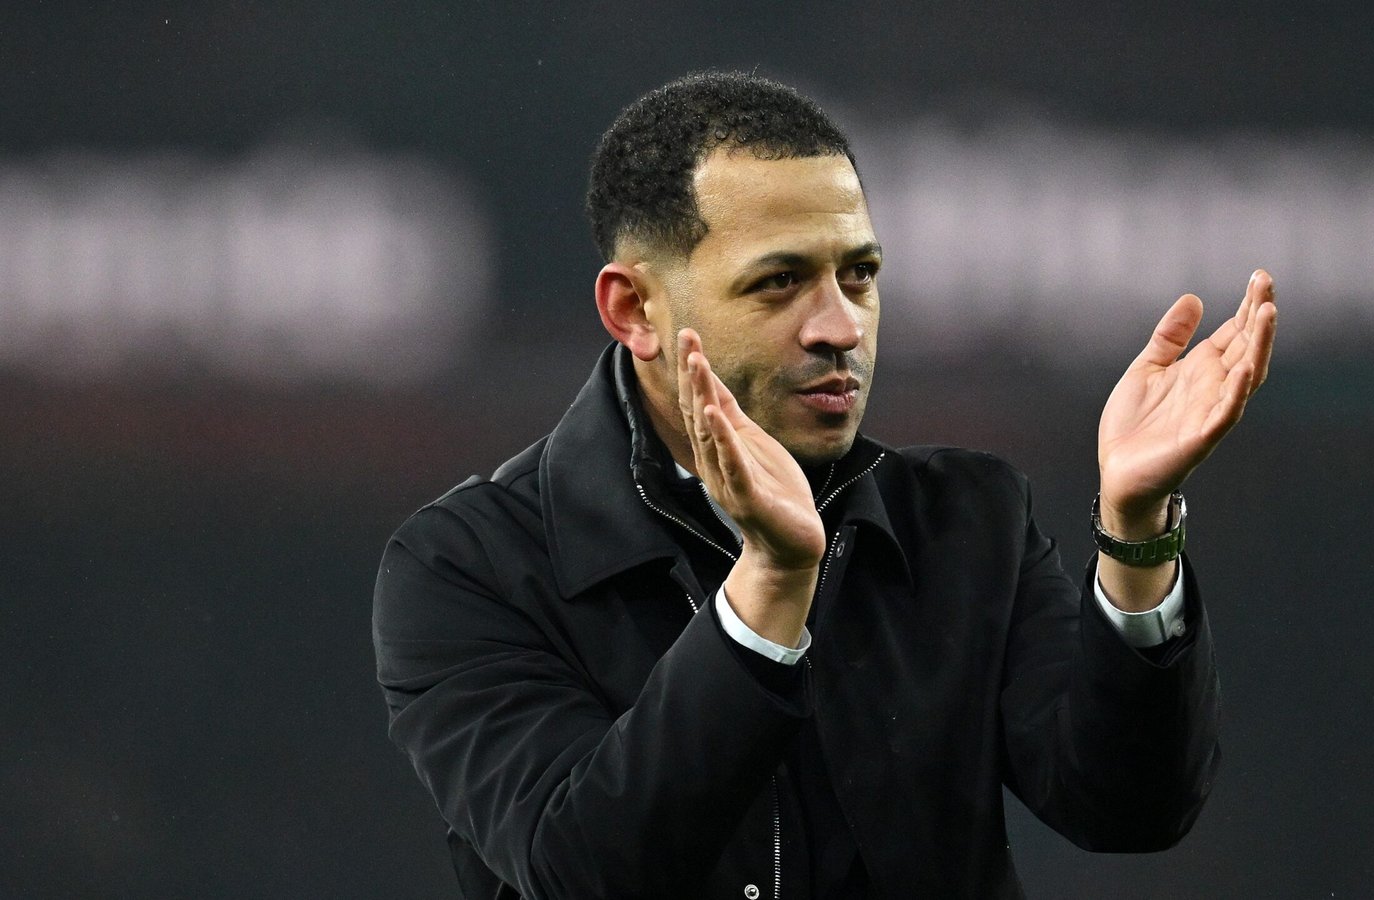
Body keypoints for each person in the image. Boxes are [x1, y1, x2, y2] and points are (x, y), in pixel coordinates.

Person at [373, 70, 1277, 899]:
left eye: (860, 275)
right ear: (634, 310)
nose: (840, 326)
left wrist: (1135, 529)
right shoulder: (469, 566)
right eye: (779, 283)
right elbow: (586, 869)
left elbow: (1129, 811)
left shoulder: (966, 523)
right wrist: (769, 592)